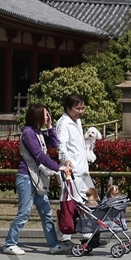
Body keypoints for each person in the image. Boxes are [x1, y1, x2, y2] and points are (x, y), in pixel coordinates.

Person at [3, 104, 65, 255]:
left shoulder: (37, 133)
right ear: (37, 116)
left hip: (37, 178)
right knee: (24, 212)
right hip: (27, 177)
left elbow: (54, 143)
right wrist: (57, 168)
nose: (47, 116)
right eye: (45, 114)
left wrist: (50, 126)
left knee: (46, 213)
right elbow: (39, 155)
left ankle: (54, 244)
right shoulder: (28, 133)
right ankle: (10, 243)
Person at [55, 93, 93, 225]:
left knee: (91, 199)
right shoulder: (63, 123)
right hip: (71, 172)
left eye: (82, 108)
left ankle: (88, 235)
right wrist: (65, 159)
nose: (80, 111)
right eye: (77, 108)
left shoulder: (78, 121)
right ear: (68, 107)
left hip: (83, 170)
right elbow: (60, 144)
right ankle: (64, 238)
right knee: (69, 204)